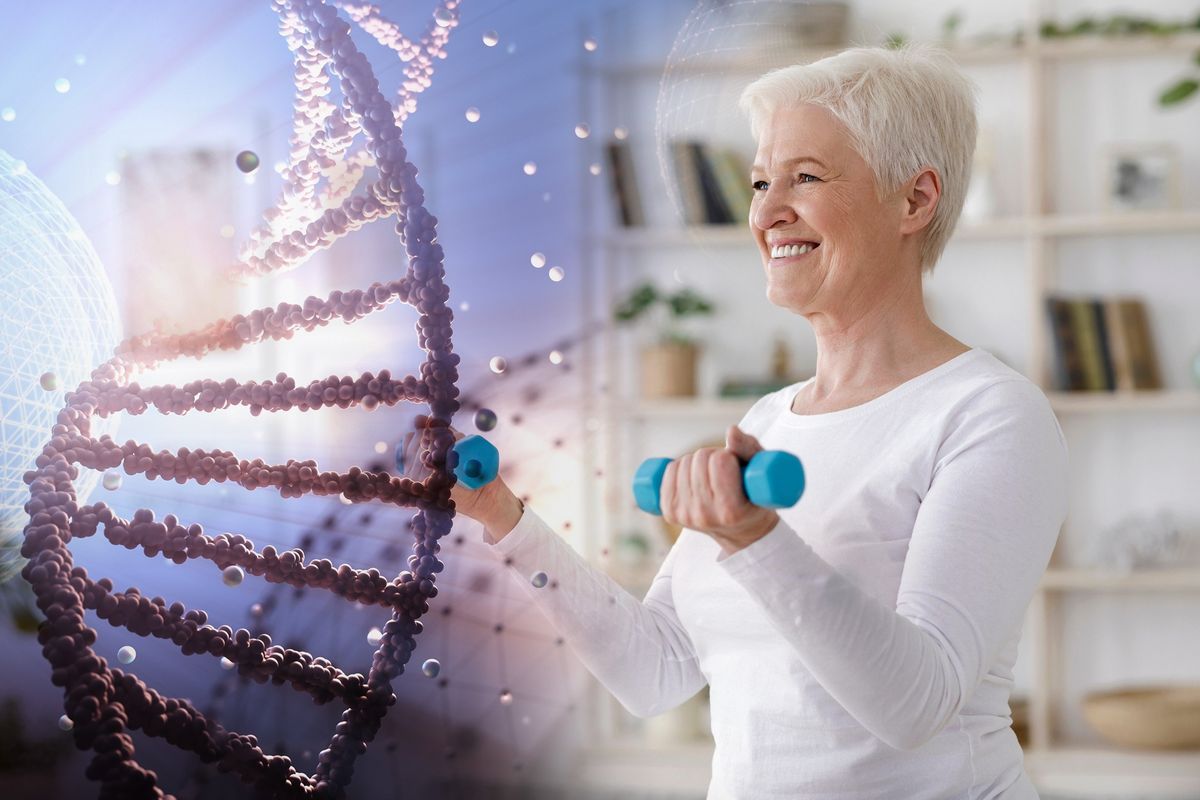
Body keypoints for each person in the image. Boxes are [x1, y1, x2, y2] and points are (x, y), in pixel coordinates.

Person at [424, 44, 1068, 799]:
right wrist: (501, 515)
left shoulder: (989, 415)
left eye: (806, 177)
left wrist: (753, 540)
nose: (765, 211)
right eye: (762, 182)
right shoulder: (769, 419)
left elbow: (917, 705)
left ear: (914, 200)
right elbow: (656, 671)